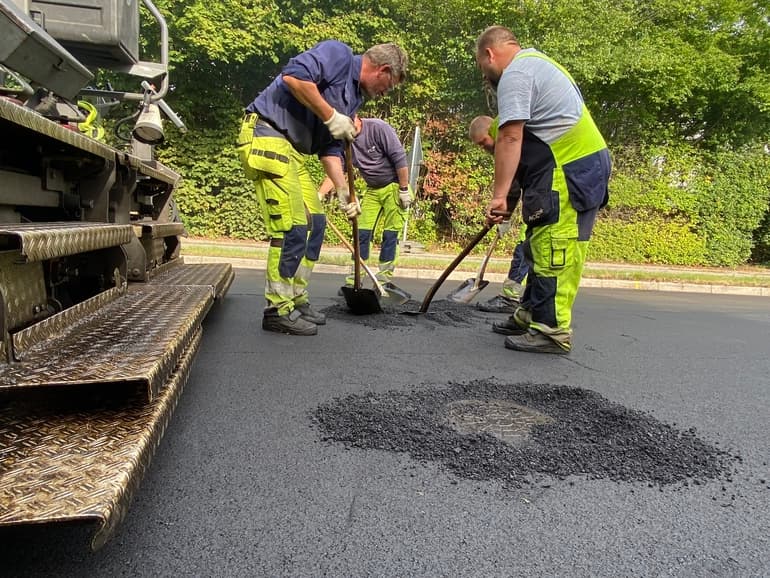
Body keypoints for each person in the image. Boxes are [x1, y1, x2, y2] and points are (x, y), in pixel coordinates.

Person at [238, 41, 408, 335]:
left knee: (316, 224)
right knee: (293, 226)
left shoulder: (354, 100)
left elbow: (331, 149)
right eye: (388, 86)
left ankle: (296, 298)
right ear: (383, 70)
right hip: (267, 136)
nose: (384, 93)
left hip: (292, 150)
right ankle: (277, 309)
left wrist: (343, 192)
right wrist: (330, 115)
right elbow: (294, 77)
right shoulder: (338, 55)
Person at [475, 25, 611, 354]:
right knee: (537, 244)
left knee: (555, 248)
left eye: (482, 66)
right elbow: (519, 161)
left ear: (490, 54)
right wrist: (506, 201)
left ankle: (551, 330)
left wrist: (497, 196)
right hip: (562, 168)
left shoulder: (517, 74)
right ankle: (530, 314)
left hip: (570, 169)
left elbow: (510, 139)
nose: (485, 75)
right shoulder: (537, 65)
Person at [319, 115, 413, 294]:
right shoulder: (345, 141)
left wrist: (403, 189)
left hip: (394, 186)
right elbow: (338, 169)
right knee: (361, 232)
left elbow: (400, 158)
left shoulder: (378, 128)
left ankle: (383, 282)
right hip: (373, 188)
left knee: (390, 236)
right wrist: (320, 194)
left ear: (356, 119)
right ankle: (355, 279)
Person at [468, 115, 528, 314]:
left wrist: (505, 215)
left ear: (492, 131)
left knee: (526, 247)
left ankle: (511, 297)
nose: (483, 148)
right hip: (536, 194)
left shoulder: (510, 139)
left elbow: (512, 187)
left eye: (484, 142)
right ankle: (528, 302)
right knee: (530, 248)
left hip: (547, 194)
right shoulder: (512, 140)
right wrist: (504, 215)